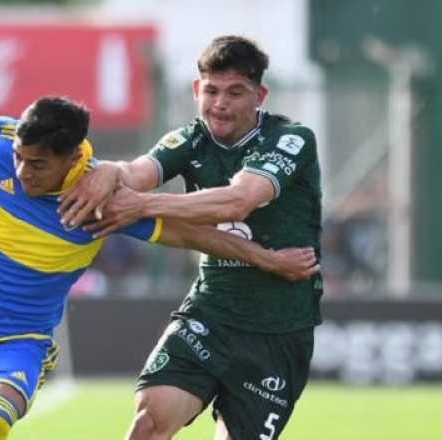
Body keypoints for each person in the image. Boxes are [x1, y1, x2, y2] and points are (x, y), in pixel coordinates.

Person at [0, 96, 318, 440]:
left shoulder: (98, 201)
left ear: (71, 159)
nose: (23, 173)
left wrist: (266, 258)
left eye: (38, 165)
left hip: (18, 342)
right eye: (20, 159)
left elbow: (186, 233)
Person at [58, 35, 323, 440]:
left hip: (278, 328)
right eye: (212, 91)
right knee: (147, 424)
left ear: (260, 95)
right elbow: (135, 175)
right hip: (211, 311)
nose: (220, 103)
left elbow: (238, 201)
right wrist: (111, 171)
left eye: (236, 92)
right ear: (197, 90)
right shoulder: (189, 139)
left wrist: (143, 205)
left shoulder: (291, 139)